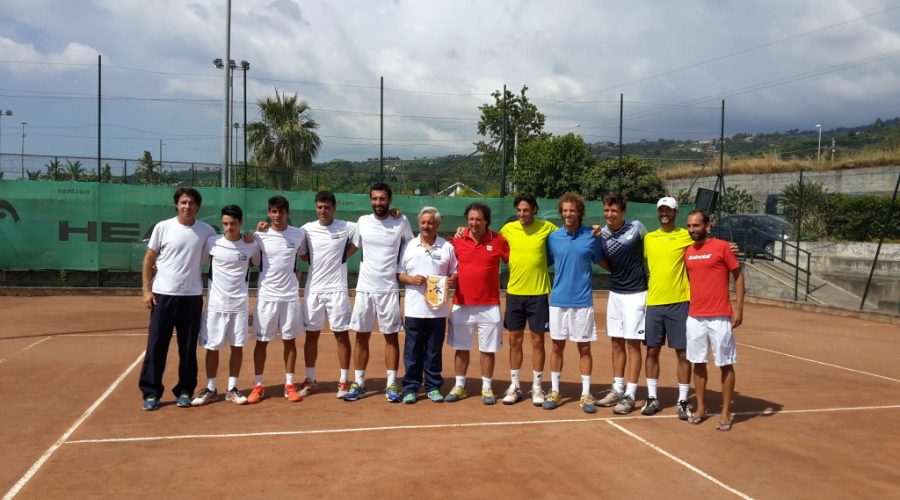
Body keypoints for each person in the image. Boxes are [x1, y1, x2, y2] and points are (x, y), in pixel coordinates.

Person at [139, 187, 216, 411]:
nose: (187, 207)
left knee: (188, 348)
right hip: (163, 296)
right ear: (177, 205)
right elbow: (148, 260)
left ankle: (185, 390)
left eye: (191, 203)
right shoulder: (163, 227)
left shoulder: (207, 231)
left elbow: (226, 247)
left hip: (191, 298)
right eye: (183, 202)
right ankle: (151, 393)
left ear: (198, 207)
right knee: (156, 346)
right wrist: (146, 290)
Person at [344, 183, 414, 402]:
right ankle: (359, 382)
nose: (378, 203)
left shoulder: (401, 221)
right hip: (365, 289)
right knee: (361, 337)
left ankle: (392, 383)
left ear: (390, 200)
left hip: (389, 289)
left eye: (382, 199)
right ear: (370, 200)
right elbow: (350, 248)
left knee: (391, 337)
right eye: (374, 199)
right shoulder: (362, 222)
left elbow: (411, 248)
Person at [192, 205, 261, 406]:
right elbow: (196, 260)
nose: (229, 227)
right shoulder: (212, 242)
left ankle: (232, 388)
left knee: (237, 347)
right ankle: (211, 389)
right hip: (215, 305)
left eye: (232, 223)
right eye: (225, 224)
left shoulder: (251, 245)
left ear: (240, 223)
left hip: (239, 306)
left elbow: (256, 261)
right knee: (212, 347)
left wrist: (253, 237)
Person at [542, 192, 603, 414]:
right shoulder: (553, 237)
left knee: (584, 348)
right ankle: (555, 391)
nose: (568, 214)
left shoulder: (592, 235)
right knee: (557, 346)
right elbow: (545, 260)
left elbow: (600, 258)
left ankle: (586, 393)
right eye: (565, 210)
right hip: (558, 301)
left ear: (579, 212)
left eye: (572, 210)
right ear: (561, 212)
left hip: (583, 302)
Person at [684, 210, 744, 431]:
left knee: (725, 363)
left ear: (708, 225)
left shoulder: (723, 247)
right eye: (689, 226)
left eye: (697, 225)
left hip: (720, 315)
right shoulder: (687, 251)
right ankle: (701, 408)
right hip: (695, 316)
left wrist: (739, 307)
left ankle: (726, 411)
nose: (692, 230)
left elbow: (738, 276)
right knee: (697, 363)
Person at [446, 202, 510, 405]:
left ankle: (487, 387)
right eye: (471, 219)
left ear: (486, 222)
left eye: (478, 220)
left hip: (489, 305)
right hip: (461, 304)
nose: (474, 223)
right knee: (461, 347)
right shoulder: (456, 241)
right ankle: (459, 386)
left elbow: (514, 260)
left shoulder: (499, 241)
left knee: (487, 349)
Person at [497, 194, 557, 406]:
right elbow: (487, 238)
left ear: (534, 210)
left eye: (526, 210)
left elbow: (569, 234)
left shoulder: (547, 227)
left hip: (538, 294)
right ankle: (515, 386)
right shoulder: (508, 229)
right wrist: (462, 231)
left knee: (538, 341)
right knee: (514, 340)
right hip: (514, 294)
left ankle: (537, 387)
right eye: (519, 210)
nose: (522, 214)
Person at [247, 195, 308, 404]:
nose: (277, 216)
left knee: (289, 341)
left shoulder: (298, 234)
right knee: (262, 342)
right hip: (267, 296)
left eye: (281, 211)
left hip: (290, 296)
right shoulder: (259, 236)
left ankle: (289, 385)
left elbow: (302, 256)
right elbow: (253, 261)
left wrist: (296, 273)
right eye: (273, 211)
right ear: (269, 212)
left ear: (287, 213)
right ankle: (258, 385)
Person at [595, 193, 651, 414]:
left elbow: (654, 246)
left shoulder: (637, 228)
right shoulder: (603, 234)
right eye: (607, 210)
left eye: (614, 210)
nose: (610, 214)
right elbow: (603, 261)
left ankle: (630, 394)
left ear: (623, 212)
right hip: (615, 294)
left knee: (632, 344)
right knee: (616, 343)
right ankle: (618, 389)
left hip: (636, 293)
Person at [301, 191, 359, 399]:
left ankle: (343, 380)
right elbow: (301, 252)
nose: (322, 211)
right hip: (313, 290)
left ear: (334, 208)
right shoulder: (306, 229)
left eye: (326, 207)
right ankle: (310, 379)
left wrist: (343, 256)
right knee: (311, 336)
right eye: (319, 207)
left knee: (341, 335)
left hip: (337, 290)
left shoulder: (348, 227)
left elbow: (362, 236)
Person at [397, 207, 458, 403]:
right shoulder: (408, 246)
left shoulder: (447, 247)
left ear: (437, 224)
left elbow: (455, 271)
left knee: (433, 351)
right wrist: (410, 279)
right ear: (418, 224)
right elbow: (399, 273)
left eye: (430, 222)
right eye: (423, 222)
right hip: (415, 309)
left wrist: (451, 280)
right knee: (413, 351)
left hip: (437, 311)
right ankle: (411, 387)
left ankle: (433, 387)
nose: (426, 226)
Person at [641, 196, 694, 418]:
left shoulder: (686, 236)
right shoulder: (649, 238)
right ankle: (652, 397)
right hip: (653, 303)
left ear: (675, 212)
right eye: (661, 210)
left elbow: (707, 244)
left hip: (680, 302)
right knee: (652, 351)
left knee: (683, 353)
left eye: (668, 210)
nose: (664, 213)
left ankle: (683, 400)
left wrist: (729, 245)